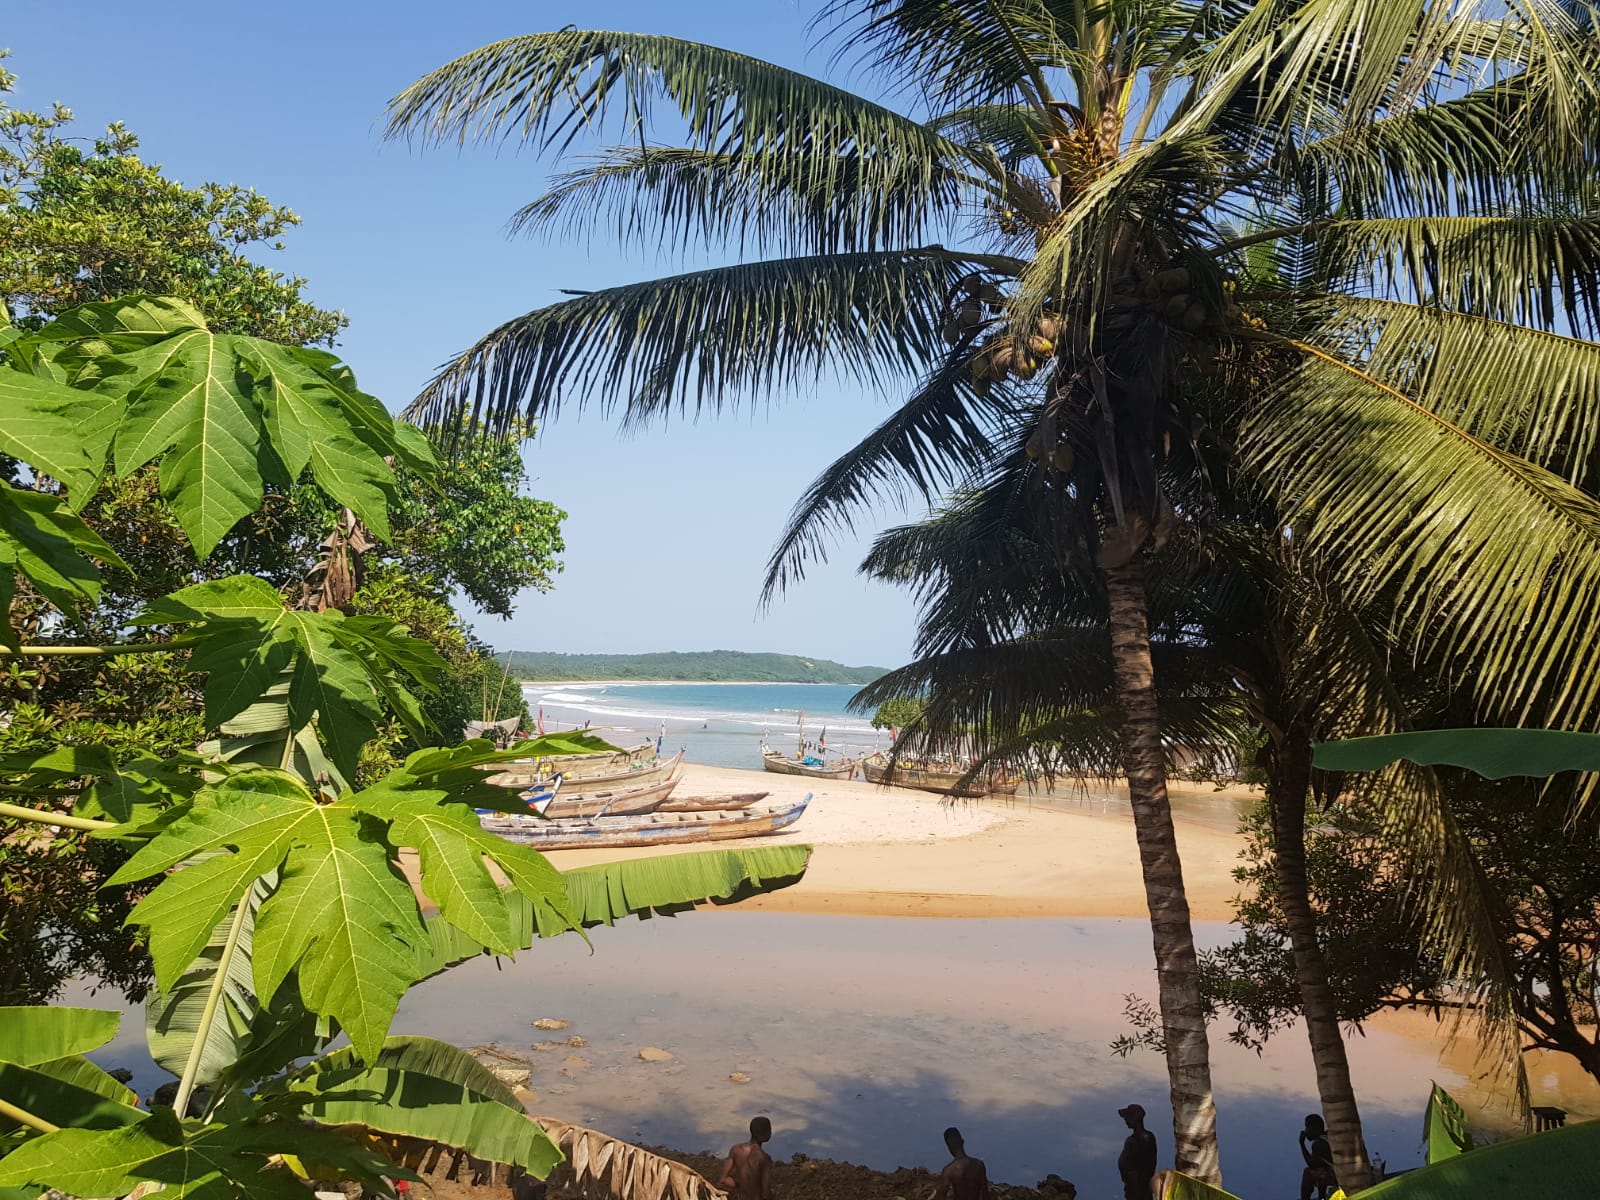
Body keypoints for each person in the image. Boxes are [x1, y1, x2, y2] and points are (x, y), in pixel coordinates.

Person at [720, 1116, 774, 1200]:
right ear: (766, 1133)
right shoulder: (765, 1159)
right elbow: (765, 1194)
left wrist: (740, 1185)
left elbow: (724, 1179)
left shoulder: (736, 1150)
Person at [931, 1126, 991, 1200]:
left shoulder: (949, 1171)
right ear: (962, 1141)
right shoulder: (979, 1165)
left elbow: (941, 1197)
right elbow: (985, 1195)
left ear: (949, 1147)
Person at [1116, 1104, 1157, 1200]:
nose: (1125, 1121)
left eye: (1128, 1118)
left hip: (1136, 1187)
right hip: (1141, 1186)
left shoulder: (1133, 1141)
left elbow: (1124, 1163)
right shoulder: (1149, 1137)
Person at [1298, 1114, 1337, 1200]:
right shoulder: (1326, 1137)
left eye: (1307, 1127)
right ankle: (1321, 1197)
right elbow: (1318, 1164)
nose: (1305, 1131)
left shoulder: (1318, 1144)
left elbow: (1311, 1164)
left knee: (1308, 1172)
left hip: (1340, 1176)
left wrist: (1302, 1144)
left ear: (1314, 1128)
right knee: (1321, 1170)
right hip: (1339, 1172)